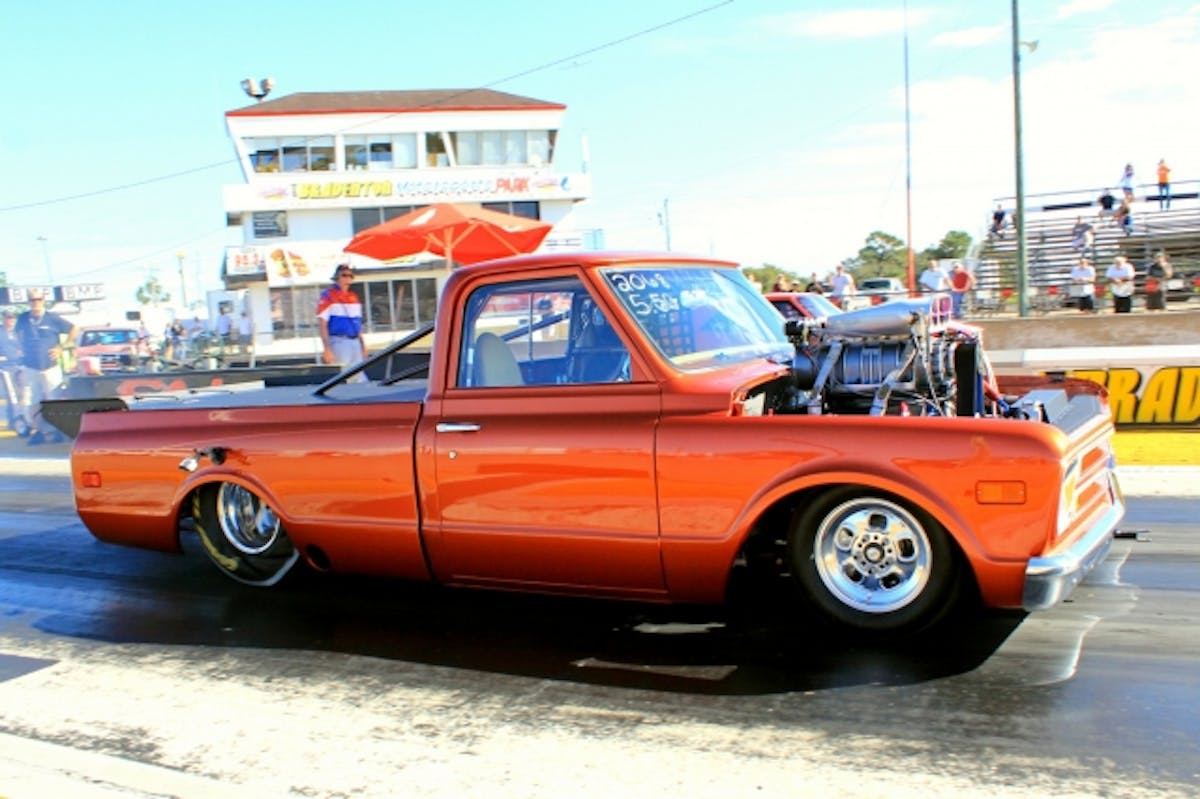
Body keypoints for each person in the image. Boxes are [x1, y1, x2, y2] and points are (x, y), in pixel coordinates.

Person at [15, 289, 78, 444]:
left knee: (53, 400)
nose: (35, 303)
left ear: (43, 300)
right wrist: (20, 349)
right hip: (30, 367)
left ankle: (56, 431)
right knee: (33, 401)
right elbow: (17, 334)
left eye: (38, 299)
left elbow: (74, 329)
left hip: (50, 367)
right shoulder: (23, 318)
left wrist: (61, 347)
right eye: (32, 300)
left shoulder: (52, 319)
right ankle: (39, 431)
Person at [317, 263, 368, 379]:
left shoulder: (354, 297)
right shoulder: (328, 295)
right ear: (337, 278)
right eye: (344, 275)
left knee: (359, 376)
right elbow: (322, 324)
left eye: (350, 276)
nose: (347, 278)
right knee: (343, 376)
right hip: (339, 341)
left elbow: (357, 324)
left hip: (355, 341)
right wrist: (327, 348)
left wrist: (363, 345)